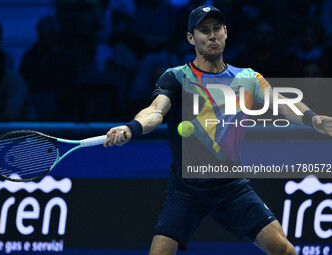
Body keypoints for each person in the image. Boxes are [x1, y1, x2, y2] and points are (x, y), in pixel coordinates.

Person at [105, 6, 332, 255]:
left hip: (231, 187)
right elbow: (156, 111)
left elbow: (281, 103)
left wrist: (313, 119)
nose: (212, 35)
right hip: (186, 190)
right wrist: (131, 127)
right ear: (191, 38)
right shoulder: (177, 77)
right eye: (204, 30)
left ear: (226, 32)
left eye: (216, 29)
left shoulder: (247, 78)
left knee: (284, 250)